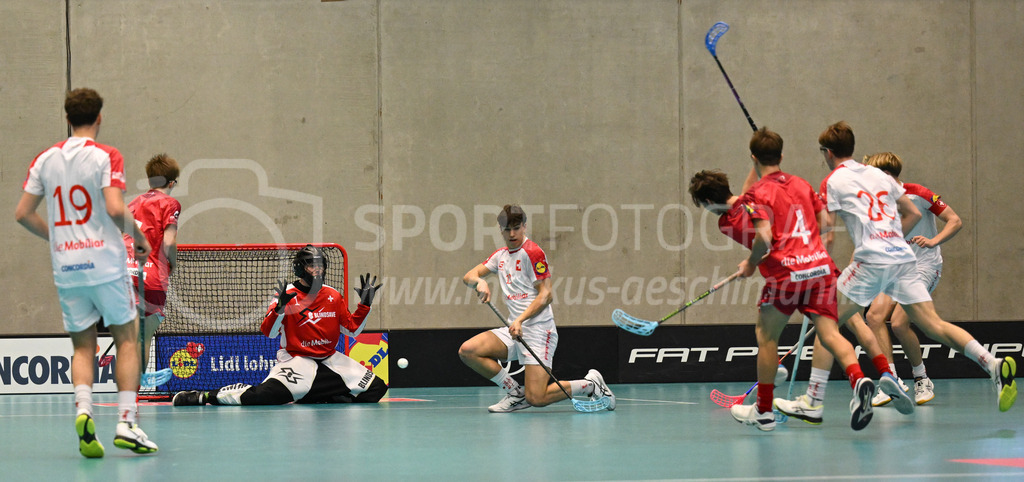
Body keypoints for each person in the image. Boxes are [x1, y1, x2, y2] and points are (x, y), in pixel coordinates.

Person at [778, 121, 1016, 418]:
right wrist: (889, 236)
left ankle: (812, 402)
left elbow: (825, 227)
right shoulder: (880, 175)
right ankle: (992, 364)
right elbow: (913, 212)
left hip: (872, 260)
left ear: (827, 153)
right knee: (933, 324)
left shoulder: (833, 181)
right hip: (903, 259)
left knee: (827, 324)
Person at [689, 127, 901, 432]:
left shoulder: (736, 213)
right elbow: (825, 221)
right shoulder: (799, 183)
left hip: (787, 275)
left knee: (766, 336)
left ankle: (763, 410)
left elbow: (764, 234)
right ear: (781, 155)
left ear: (708, 203)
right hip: (820, 268)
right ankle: (861, 380)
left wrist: (750, 264)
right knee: (831, 331)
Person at [15, 88, 158, 457]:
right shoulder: (106, 155)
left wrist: (56, 237)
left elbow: (23, 213)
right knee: (127, 339)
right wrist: (139, 236)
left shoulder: (44, 159)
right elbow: (113, 208)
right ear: (99, 118)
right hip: (105, 264)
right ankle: (127, 422)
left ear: (67, 118)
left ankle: (83, 411)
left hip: (67, 267)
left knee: (83, 346)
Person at [172, 245, 387, 406]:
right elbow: (269, 332)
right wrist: (280, 309)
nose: (317, 270)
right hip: (297, 360)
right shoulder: (286, 296)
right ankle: (205, 396)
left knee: (376, 388)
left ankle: (316, 395)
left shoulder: (332, 294)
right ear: (300, 268)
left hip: (329, 359)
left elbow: (352, 329)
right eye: (312, 265)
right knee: (263, 396)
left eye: (321, 265)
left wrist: (364, 305)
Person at [459, 204, 614, 412]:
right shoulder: (500, 256)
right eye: (507, 229)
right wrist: (480, 282)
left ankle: (591, 385)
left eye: (516, 227)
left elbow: (546, 294)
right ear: (501, 230)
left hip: (540, 331)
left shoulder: (532, 252)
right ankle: (515, 393)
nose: (512, 233)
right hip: (515, 330)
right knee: (468, 351)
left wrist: (520, 320)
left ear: (524, 226)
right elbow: (468, 276)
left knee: (537, 397)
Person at [862, 152, 962, 407]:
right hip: (896, 267)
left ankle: (921, 378)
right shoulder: (876, 202)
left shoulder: (919, 194)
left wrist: (933, 241)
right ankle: (891, 380)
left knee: (898, 323)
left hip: (924, 265)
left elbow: (955, 220)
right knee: (873, 317)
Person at [124, 153, 181, 387]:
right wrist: (174, 264)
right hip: (152, 278)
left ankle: (128, 387)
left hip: (125, 273)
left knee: (130, 337)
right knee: (145, 337)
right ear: (172, 182)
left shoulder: (133, 203)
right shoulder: (170, 204)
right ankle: (136, 385)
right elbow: (168, 243)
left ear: (150, 181)